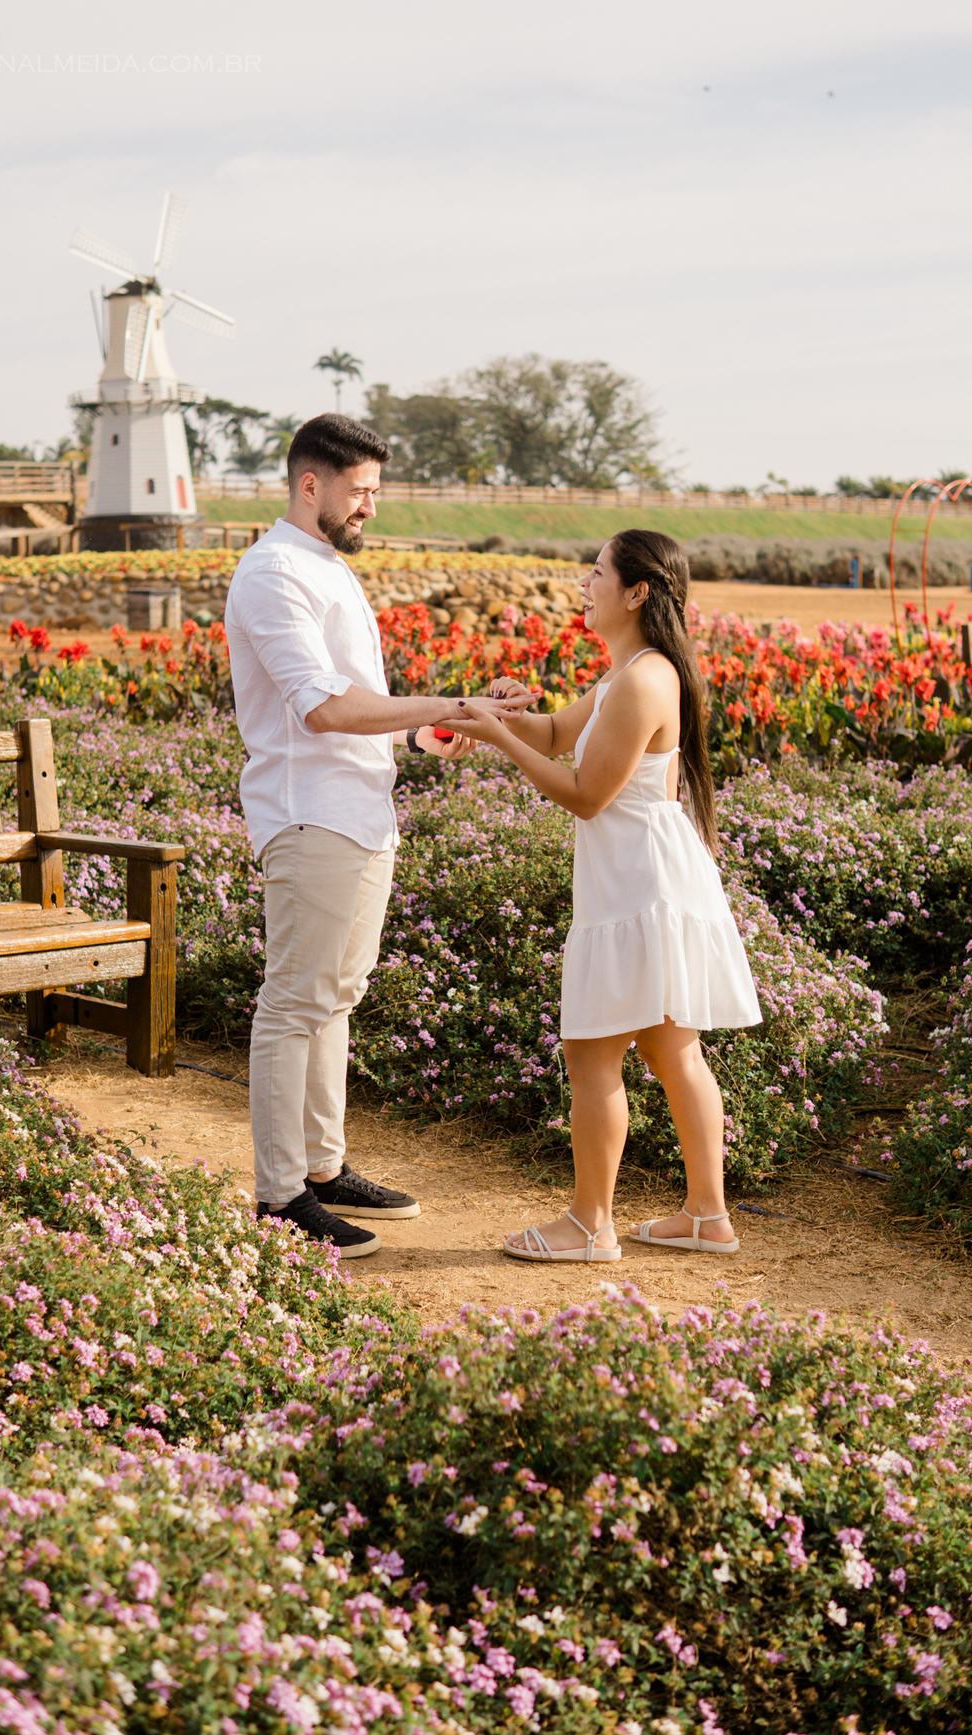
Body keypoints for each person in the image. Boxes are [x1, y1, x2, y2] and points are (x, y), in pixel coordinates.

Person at [223, 414, 524, 1259]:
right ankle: (281, 1195)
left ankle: (322, 1168)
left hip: (359, 813)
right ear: (310, 484)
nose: (370, 510)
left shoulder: (328, 568)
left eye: (376, 494)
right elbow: (321, 708)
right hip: (309, 812)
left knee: (337, 999)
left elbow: (364, 712)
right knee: (294, 1003)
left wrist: (442, 728)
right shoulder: (272, 572)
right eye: (360, 493)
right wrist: (448, 703)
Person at [455, 529, 761, 1262]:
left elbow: (586, 794)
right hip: (639, 878)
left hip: (638, 885)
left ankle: (591, 1225)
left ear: (636, 593)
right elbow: (559, 732)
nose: (583, 584)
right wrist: (498, 714)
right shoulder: (629, 672)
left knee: (593, 1055)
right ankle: (706, 1217)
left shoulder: (644, 678)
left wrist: (497, 741)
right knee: (671, 1048)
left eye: (595, 572)